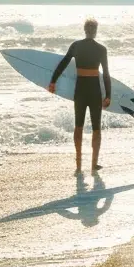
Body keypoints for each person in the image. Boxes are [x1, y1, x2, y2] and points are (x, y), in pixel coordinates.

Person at [48, 18, 112, 172]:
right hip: (95, 91)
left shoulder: (76, 46)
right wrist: (108, 95)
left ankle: (78, 164)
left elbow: (63, 63)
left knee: (78, 126)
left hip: (80, 91)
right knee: (96, 127)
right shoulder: (101, 49)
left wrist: (53, 81)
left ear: (85, 30)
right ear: (95, 31)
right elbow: (106, 75)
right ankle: (94, 164)